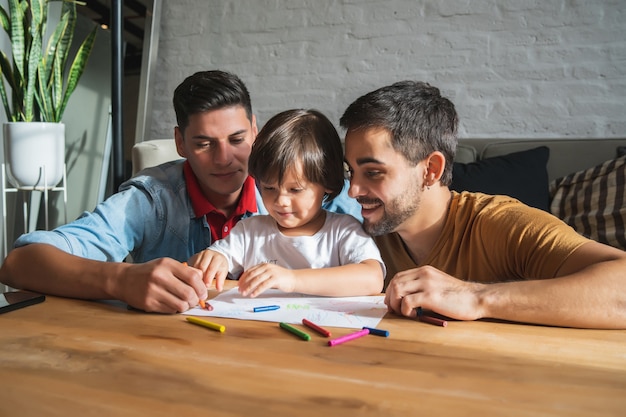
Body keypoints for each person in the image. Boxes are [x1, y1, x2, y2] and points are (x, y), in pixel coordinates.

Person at [0, 70, 360, 314]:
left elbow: (381, 266)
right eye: (204, 143)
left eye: (237, 140)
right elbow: (20, 264)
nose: (224, 159)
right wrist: (121, 279)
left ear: (256, 132)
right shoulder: (151, 199)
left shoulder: (321, 193)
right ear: (180, 143)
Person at [340, 80, 626, 329]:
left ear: (430, 170)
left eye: (373, 172)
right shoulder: (357, 235)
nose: (353, 190)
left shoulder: (499, 223)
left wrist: (476, 297)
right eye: (350, 171)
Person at [189, 109, 384, 298]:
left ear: (327, 183)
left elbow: (372, 278)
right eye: (269, 188)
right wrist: (213, 260)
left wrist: (291, 279)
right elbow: (213, 261)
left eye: (295, 190)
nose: (280, 201)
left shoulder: (343, 231)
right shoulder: (249, 233)